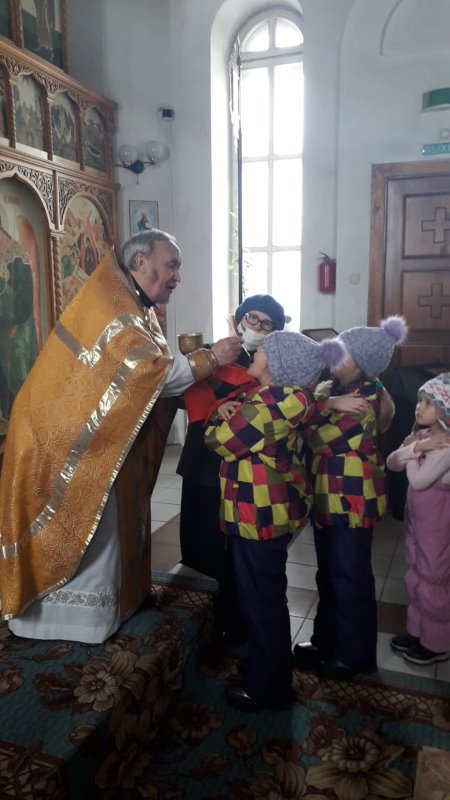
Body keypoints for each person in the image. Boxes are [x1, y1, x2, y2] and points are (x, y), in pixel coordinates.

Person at [0, 229, 242, 643]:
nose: (178, 277)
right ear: (141, 262)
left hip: (93, 441)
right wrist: (211, 358)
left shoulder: (130, 301)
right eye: (172, 265)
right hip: (64, 447)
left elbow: (147, 375)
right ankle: (64, 618)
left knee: (110, 526)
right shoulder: (114, 305)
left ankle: (107, 608)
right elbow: (147, 375)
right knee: (91, 527)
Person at [204, 331, 348, 711]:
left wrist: (218, 417)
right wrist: (233, 409)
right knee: (264, 594)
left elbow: (219, 441)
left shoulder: (267, 407)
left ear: (278, 366)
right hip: (270, 509)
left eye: (264, 349)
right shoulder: (292, 398)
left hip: (257, 512)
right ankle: (266, 666)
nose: (256, 350)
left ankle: (267, 687)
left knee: (261, 601)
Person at [294, 315, 407, 681]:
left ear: (359, 364)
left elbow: (315, 438)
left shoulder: (363, 399)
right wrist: (325, 402)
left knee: (349, 577)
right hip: (330, 497)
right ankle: (326, 642)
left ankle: (354, 656)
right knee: (328, 574)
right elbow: (311, 418)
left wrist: (319, 410)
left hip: (351, 501)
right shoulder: (334, 389)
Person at [176, 294, 285, 651]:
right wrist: (220, 404)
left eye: (266, 324)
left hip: (238, 468)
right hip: (202, 462)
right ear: (239, 318)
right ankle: (198, 623)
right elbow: (187, 391)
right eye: (252, 318)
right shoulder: (213, 353)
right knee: (199, 542)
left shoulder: (265, 365)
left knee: (228, 552)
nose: (257, 327)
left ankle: (228, 625)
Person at [386, 372, 450, 666]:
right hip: (418, 523)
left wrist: (411, 451)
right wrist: (415, 448)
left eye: (428, 402)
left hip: (436, 528)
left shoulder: (445, 448)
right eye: (419, 400)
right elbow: (391, 463)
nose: (419, 407)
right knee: (416, 574)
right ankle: (418, 630)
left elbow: (419, 480)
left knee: (433, 578)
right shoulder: (423, 439)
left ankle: (438, 642)